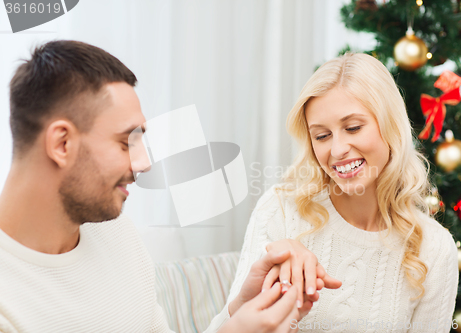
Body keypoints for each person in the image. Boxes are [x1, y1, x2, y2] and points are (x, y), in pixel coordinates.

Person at [0, 40, 341, 333]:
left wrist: (239, 308)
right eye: (125, 142)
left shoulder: (117, 233)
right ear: (62, 144)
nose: (144, 163)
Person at [211, 53, 459, 332]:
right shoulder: (280, 210)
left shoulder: (434, 249)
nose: (338, 150)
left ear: (391, 128)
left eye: (353, 128)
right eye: (322, 136)